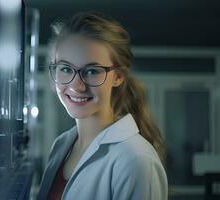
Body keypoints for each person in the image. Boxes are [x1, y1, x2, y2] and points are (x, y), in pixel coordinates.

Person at [37, 12, 168, 200]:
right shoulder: (60, 145)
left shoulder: (136, 160)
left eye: (92, 71)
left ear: (118, 76)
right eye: (66, 69)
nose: (77, 86)